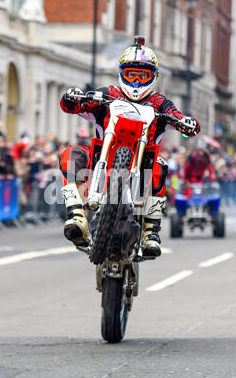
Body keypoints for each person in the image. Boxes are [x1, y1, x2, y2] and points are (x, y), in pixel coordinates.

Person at [59, 37, 200, 258]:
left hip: (143, 165)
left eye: (142, 76)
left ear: (153, 77)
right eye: (131, 74)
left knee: (160, 165)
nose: (136, 81)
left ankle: (150, 233)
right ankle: (77, 217)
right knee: (72, 154)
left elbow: (180, 118)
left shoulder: (159, 103)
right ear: (121, 73)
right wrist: (72, 98)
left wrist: (187, 122)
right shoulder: (108, 94)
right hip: (100, 162)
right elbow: (71, 105)